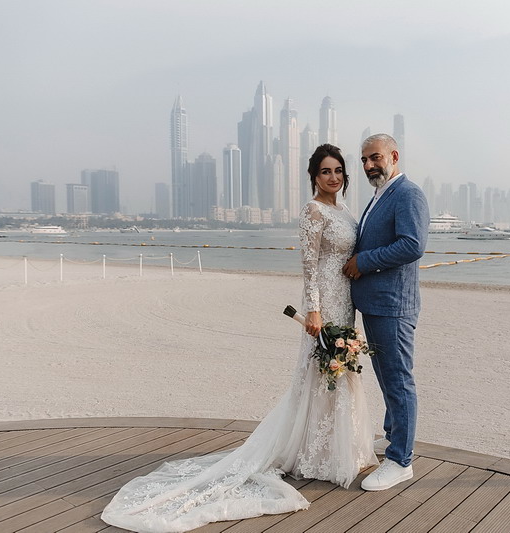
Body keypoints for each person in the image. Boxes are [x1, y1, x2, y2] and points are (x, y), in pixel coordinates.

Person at [101, 144, 377, 532]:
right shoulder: (312, 210)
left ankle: (341, 449)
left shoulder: (344, 210)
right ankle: (315, 455)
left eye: (338, 170)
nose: (333, 177)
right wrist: (314, 309)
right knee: (320, 371)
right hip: (325, 303)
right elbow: (309, 266)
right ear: (314, 177)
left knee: (341, 369)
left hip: (345, 300)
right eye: (325, 171)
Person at [343, 133, 430, 491]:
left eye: (375, 157)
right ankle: (394, 436)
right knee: (386, 378)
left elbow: (412, 245)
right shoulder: (381, 195)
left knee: (398, 381)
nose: (368, 165)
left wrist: (363, 261)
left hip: (394, 305)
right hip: (376, 304)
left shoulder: (408, 194)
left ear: (393, 156)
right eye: (364, 160)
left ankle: (400, 461)